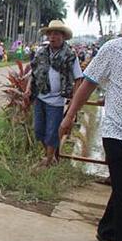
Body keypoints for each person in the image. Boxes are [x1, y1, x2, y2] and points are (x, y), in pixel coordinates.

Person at [59, 3, 122, 241]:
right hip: (118, 132)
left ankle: (107, 229)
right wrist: (70, 116)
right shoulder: (113, 50)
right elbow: (88, 83)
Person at [26, 20, 83, 167]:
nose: (53, 37)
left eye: (56, 34)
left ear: (63, 36)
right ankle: (51, 157)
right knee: (39, 130)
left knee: (52, 132)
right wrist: (28, 89)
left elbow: (78, 79)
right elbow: (34, 72)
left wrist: (73, 100)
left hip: (57, 100)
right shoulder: (41, 52)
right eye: (50, 34)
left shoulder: (70, 55)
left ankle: (49, 160)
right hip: (40, 96)